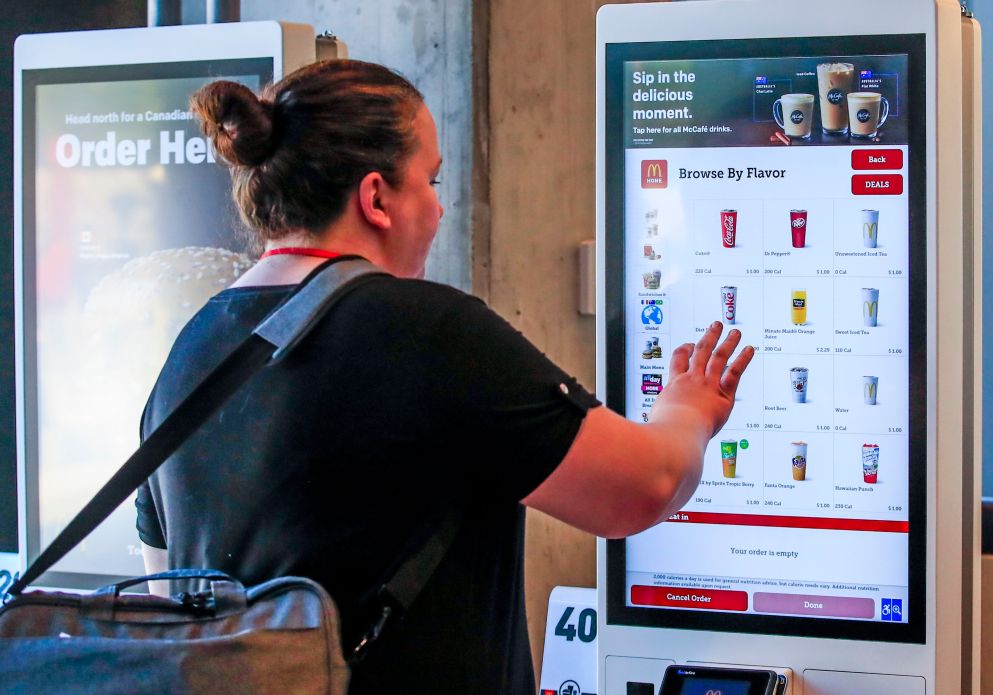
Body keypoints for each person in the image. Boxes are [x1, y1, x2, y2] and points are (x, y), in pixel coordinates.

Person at [135, 58, 754, 694]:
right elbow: (644, 488)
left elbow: (171, 596)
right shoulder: (424, 331)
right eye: (429, 181)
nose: (437, 209)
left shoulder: (193, 349)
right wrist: (690, 408)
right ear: (376, 198)